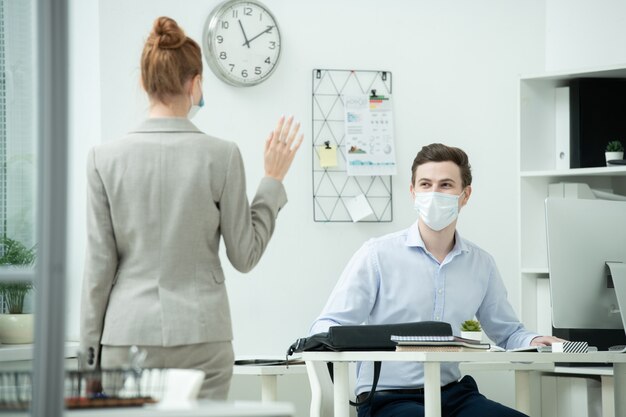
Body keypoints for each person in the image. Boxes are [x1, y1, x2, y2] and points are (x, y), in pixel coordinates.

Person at [80, 16, 303, 400]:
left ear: (144, 82)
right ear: (195, 82)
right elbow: (244, 255)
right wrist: (272, 181)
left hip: (127, 336)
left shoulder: (104, 159)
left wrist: (88, 360)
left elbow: (99, 270)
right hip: (203, 335)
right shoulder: (223, 156)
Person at [310, 143, 562, 417]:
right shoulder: (377, 255)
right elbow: (326, 327)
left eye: (445, 185)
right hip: (388, 398)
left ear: (465, 195)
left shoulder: (481, 264)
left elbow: (508, 332)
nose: (433, 193)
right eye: (425, 184)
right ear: (413, 192)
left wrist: (535, 340)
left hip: (453, 394)